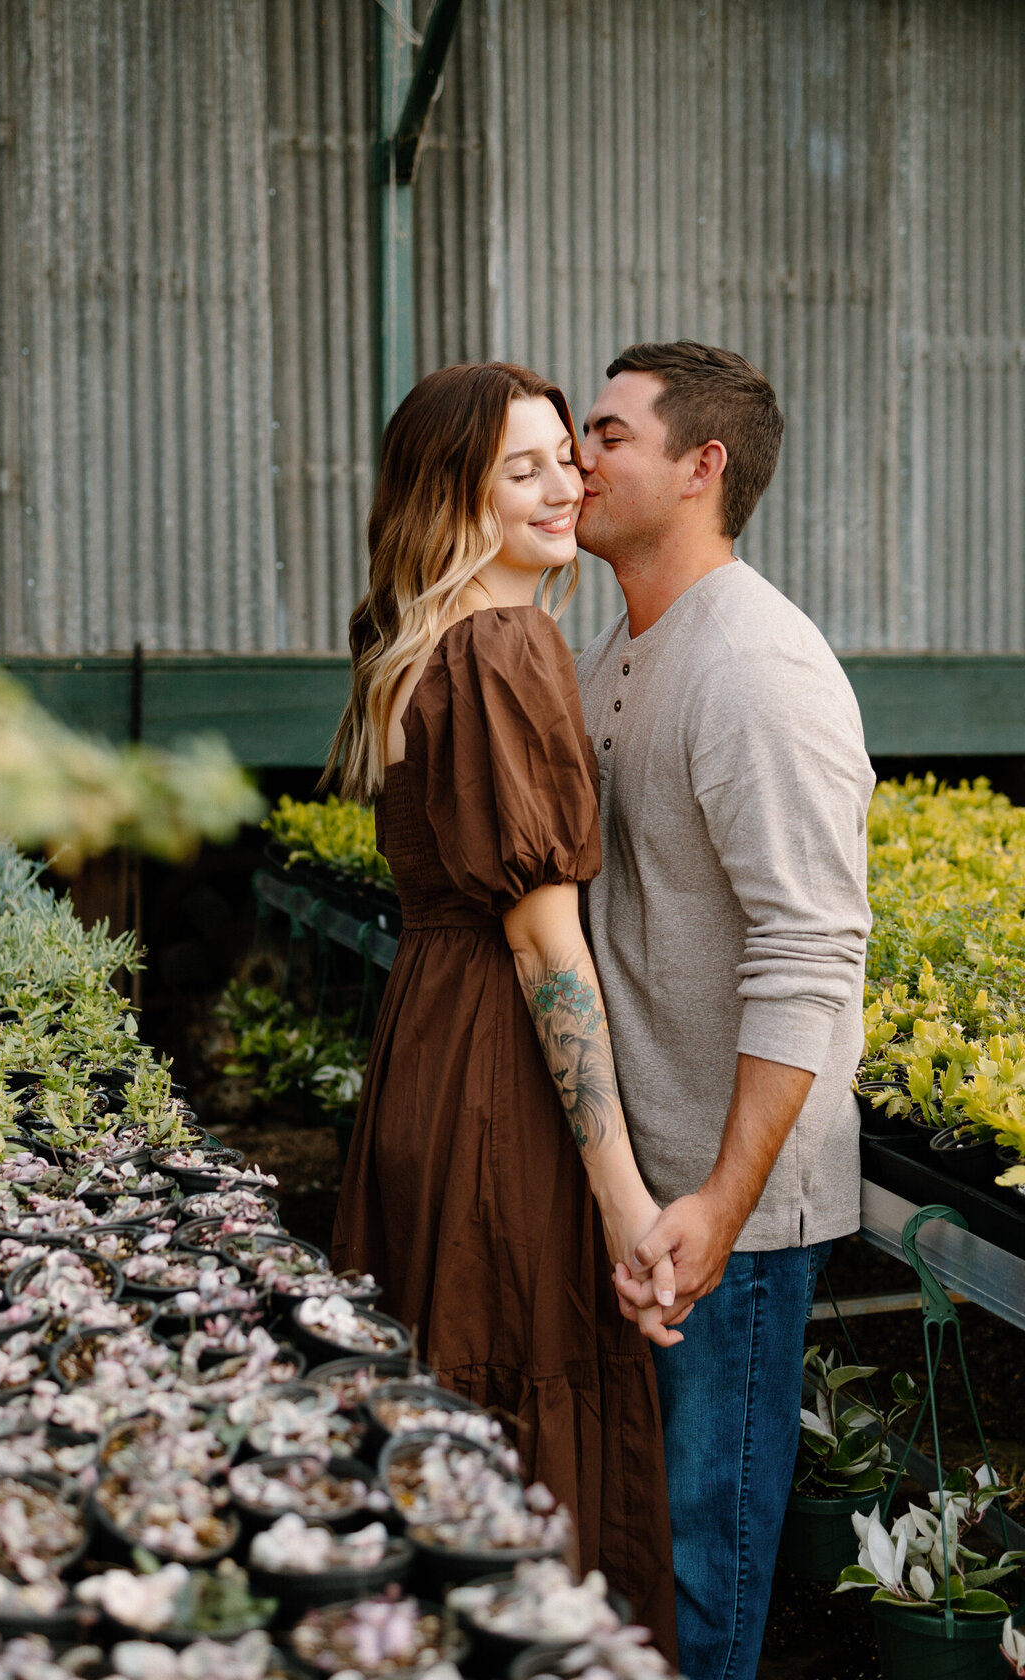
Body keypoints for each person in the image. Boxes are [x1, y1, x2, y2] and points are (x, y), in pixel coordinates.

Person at [328, 361, 678, 1657]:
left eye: (565, 460)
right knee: (521, 1401)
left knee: (449, 1395)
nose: (563, 485)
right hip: (498, 1084)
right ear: (453, 498)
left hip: (426, 1049)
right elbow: (545, 945)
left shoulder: (428, 647)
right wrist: (623, 1194)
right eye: (521, 468)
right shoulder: (503, 644)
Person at [574, 340, 876, 1680]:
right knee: (631, 1553)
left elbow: (813, 951)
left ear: (702, 468)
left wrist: (722, 1201)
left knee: (703, 1569)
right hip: (650, 1195)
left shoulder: (760, 666)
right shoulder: (619, 650)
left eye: (608, 434)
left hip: (731, 1220)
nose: (581, 457)